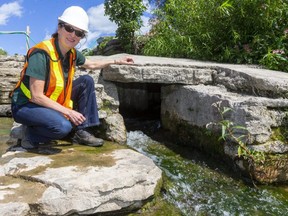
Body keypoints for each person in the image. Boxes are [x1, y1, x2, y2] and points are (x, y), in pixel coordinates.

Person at [10, 6, 134, 150]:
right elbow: (36, 96)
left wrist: (116, 61)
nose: (73, 35)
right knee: (63, 127)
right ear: (59, 27)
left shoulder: (72, 53)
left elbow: (92, 64)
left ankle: (83, 131)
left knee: (86, 81)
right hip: (26, 105)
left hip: (49, 100)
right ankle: (29, 135)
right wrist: (68, 111)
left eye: (79, 33)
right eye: (69, 28)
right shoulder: (41, 53)